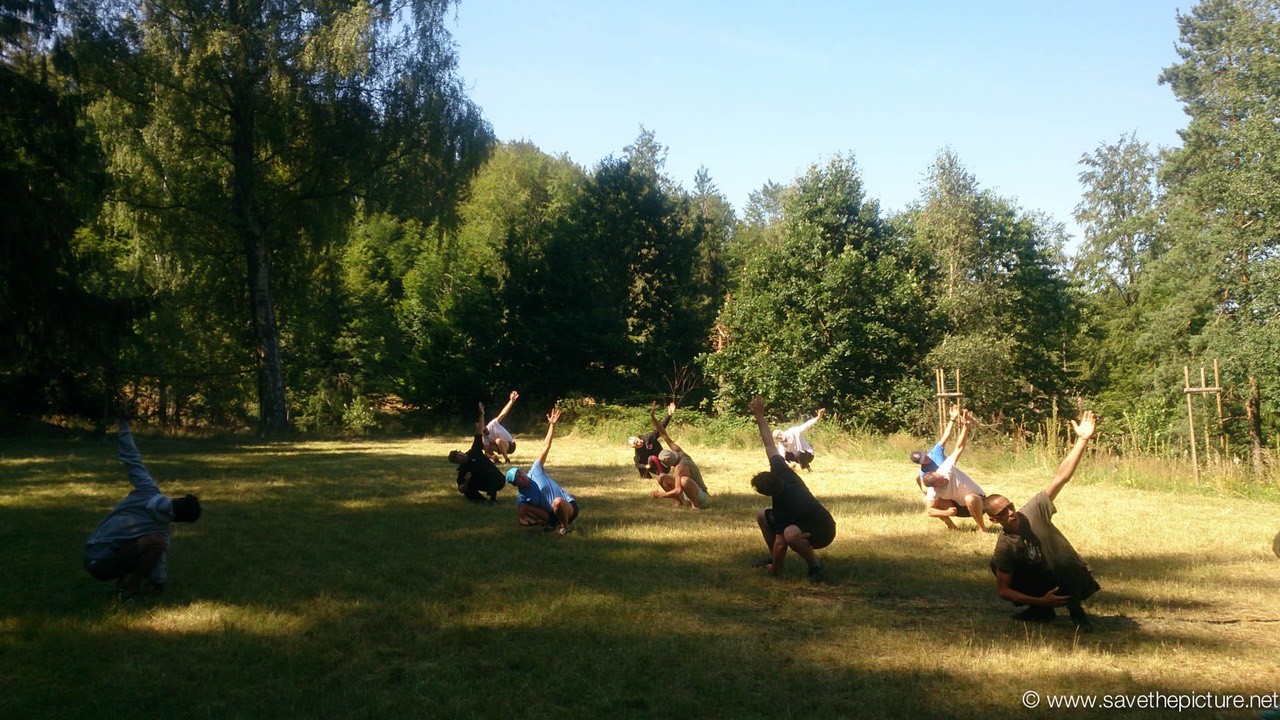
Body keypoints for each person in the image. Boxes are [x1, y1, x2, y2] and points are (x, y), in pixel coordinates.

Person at [985, 411, 1101, 632]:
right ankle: (1040, 611)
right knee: (997, 564)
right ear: (993, 519)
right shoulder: (1004, 546)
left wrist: (1082, 440)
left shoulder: (1034, 510)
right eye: (1003, 512)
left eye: (1010, 507)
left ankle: (1077, 611)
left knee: (1064, 561)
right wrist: (1041, 601)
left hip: (1068, 573)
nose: (1011, 512)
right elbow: (1004, 590)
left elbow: (1061, 477)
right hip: (1042, 581)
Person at [83, 419, 202, 602]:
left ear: (176, 499)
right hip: (102, 562)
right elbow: (158, 563)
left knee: (142, 542)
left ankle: (123, 583)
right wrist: (159, 582)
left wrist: (123, 426)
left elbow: (132, 458)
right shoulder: (160, 531)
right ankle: (130, 590)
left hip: (92, 555)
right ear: (178, 520)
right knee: (156, 545)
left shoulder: (148, 489)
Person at [748, 396, 836, 583]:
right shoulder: (781, 470)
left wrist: (774, 571)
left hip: (824, 530)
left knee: (789, 534)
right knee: (763, 515)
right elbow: (768, 443)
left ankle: (815, 568)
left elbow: (781, 544)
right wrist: (760, 416)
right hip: (807, 520)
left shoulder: (785, 506)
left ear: (766, 494)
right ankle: (772, 558)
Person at [506, 407, 579, 535]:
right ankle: (549, 524)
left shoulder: (536, 470)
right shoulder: (523, 496)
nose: (521, 476)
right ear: (516, 485)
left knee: (557, 502)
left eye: (520, 473)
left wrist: (552, 424)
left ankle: (565, 527)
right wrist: (529, 522)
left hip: (568, 507)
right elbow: (521, 518)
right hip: (550, 514)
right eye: (517, 478)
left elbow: (546, 446)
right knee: (526, 507)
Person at [919, 409, 991, 533]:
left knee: (969, 498)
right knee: (929, 500)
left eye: (941, 476)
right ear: (936, 487)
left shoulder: (945, 469)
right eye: (941, 481)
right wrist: (946, 512)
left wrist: (966, 427)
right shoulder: (933, 490)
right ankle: (951, 526)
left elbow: (959, 447)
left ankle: (982, 529)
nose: (944, 478)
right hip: (958, 508)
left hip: (978, 502)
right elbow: (930, 511)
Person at [648, 402, 709, 510]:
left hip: (701, 496)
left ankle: (696, 505)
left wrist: (660, 495)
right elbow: (663, 433)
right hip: (686, 493)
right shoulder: (679, 452)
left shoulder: (680, 467)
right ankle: (678, 502)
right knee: (662, 477)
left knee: (684, 480)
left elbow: (678, 490)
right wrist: (653, 417)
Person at [447, 401, 507, 504]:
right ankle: (479, 500)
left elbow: (479, 432)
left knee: (486, 469)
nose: (461, 455)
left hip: (497, 479)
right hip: (482, 483)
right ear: (458, 462)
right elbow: (461, 489)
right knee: (467, 487)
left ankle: (493, 499)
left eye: (459, 453)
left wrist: (482, 414)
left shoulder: (474, 451)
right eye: (458, 457)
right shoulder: (463, 470)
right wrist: (466, 481)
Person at [910, 404, 962, 493]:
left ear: (924, 453)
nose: (926, 459)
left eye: (924, 456)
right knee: (919, 479)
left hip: (954, 479)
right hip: (942, 485)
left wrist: (952, 419)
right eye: (923, 460)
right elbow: (924, 489)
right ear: (920, 464)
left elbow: (946, 435)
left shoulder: (935, 451)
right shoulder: (924, 471)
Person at [628, 401, 675, 479]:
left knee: (651, 458)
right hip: (653, 465)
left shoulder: (648, 438)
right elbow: (638, 464)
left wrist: (669, 415)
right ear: (634, 447)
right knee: (637, 460)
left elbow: (660, 428)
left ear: (638, 438)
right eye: (636, 444)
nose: (639, 443)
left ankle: (662, 476)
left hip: (663, 464)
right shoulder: (638, 452)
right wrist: (646, 466)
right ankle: (646, 477)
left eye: (637, 441)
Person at [484, 390, 519, 463]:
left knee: (498, 440)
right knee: (485, 446)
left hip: (510, 445)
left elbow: (503, 413)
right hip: (500, 447)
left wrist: (511, 401)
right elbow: (486, 451)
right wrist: (491, 457)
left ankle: (507, 459)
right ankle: (496, 460)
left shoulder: (493, 424)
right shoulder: (485, 437)